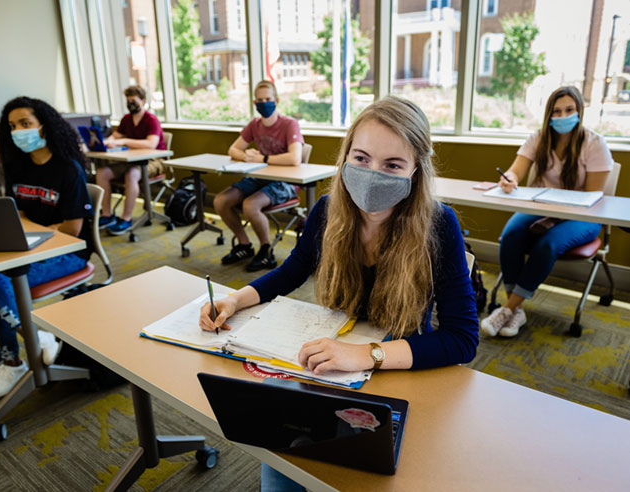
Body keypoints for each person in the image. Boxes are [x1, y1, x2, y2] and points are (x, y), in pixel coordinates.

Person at [199, 96, 479, 491]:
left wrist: (365, 355)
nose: (372, 174)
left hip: (400, 370)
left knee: (369, 469)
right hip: (330, 370)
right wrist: (233, 300)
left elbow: (463, 339)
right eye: (361, 158)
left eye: (393, 165)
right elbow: (290, 271)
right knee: (285, 453)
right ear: (345, 156)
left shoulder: (439, 224)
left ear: (416, 171)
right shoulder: (329, 210)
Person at [0, 96, 94, 401]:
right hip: (29, 246)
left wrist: (33, 234)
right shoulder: (18, 168)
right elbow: (20, 214)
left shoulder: (69, 169)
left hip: (68, 253)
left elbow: (71, 229)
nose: (18, 131)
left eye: (25, 124)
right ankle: (34, 339)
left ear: (45, 126)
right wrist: (23, 235)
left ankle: (14, 358)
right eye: (12, 126)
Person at [481, 86, 613, 338]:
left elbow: (592, 198)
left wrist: (558, 215)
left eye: (569, 110)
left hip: (583, 216)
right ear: (548, 115)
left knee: (547, 244)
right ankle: (516, 311)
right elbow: (515, 170)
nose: (563, 116)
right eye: (557, 111)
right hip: (541, 208)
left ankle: (507, 309)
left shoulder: (595, 144)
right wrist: (508, 179)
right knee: (510, 236)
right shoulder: (538, 138)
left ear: (579, 111)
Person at [214, 80, 304, 272]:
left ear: (277, 100)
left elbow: (295, 158)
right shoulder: (254, 125)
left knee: (250, 204)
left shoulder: (289, 124)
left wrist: (262, 157)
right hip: (259, 177)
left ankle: (266, 251)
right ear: (254, 102)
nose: (264, 103)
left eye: (268, 99)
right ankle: (244, 245)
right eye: (260, 100)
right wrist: (247, 156)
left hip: (285, 181)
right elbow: (233, 149)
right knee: (221, 201)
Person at [96, 85, 166, 235]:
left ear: (143, 101)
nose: (130, 104)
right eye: (128, 101)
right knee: (102, 172)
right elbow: (115, 137)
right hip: (131, 160)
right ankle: (107, 215)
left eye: (133, 100)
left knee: (132, 174)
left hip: (153, 160)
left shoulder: (151, 120)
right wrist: (107, 142)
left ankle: (126, 218)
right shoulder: (126, 119)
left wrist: (124, 141)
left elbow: (151, 144)